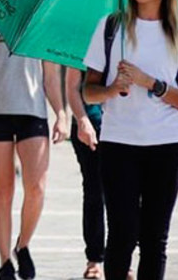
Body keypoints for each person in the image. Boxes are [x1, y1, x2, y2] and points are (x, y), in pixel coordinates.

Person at [82, 0, 178, 280]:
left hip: (166, 147)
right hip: (118, 144)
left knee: (154, 239)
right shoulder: (110, 27)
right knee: (121, 235)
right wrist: (111, 89)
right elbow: (88, 91)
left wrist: (151, 83)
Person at [0, 12, 67, 280]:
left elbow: (51, 77)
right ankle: (4, 262)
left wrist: (61, 114)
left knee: (36, 187)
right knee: (4, 190)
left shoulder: (42, 20)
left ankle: (22, 245)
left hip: (33, 112)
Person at [66, 65, 105, 280]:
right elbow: (72, 86)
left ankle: (122, 256)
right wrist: (82, 119)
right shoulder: (81, 45)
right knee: (94, 191)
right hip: (90, 124)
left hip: (127, 127)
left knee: (125, 194)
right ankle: (95, 259)